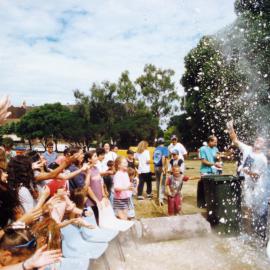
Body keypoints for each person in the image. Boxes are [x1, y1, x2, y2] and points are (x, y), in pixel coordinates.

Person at [227, 120, 269, 239]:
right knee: (246, 208)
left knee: (256, 210)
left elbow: (258, 176)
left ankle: (257, 234)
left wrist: (248, 172)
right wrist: (230, 128)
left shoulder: (262, 159)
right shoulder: (247, 148)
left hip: (256, 187)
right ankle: (247, 233)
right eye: (257, 140)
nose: (258, 142)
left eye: (261, 141)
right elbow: (235, 140)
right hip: (245, 184)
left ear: (263, 146)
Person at [84, 151, 109, 224]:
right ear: (89, 159)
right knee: (93, 220)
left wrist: (104, 195)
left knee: (100, 219)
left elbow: (101, 182)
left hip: (100, 198)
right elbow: (87, 187)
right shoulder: (86, 170)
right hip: (91, 201)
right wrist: (96, 201)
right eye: (94, 156)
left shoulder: (96, 168)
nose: (97, 158)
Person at [153, 138, 169, 204]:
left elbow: (153, 158)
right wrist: (163, 167)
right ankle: (160, 199)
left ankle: (158, 196)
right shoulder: (165, 148)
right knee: (162, 183)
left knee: (158, 182)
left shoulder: (156, 149)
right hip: (161, 167)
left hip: (156, 166)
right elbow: (163, 157)